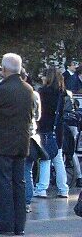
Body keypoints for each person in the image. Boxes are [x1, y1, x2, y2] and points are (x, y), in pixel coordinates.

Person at [0, 53, 36, 236]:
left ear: (4, 69)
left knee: (3, 184)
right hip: (22, 143)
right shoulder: (28, 89)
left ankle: (5, 223)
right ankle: (19, 225)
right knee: (19, 183)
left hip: (2, 144)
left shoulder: (1, 89)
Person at [34, 67, 73, 199]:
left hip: (46, 128)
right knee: (58, 159)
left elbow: (40, 112)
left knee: (46, 158)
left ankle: (41, 188)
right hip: (59, 129)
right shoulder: (63, 93)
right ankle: (63, 189)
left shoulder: (43, 92)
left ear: (47, 77)